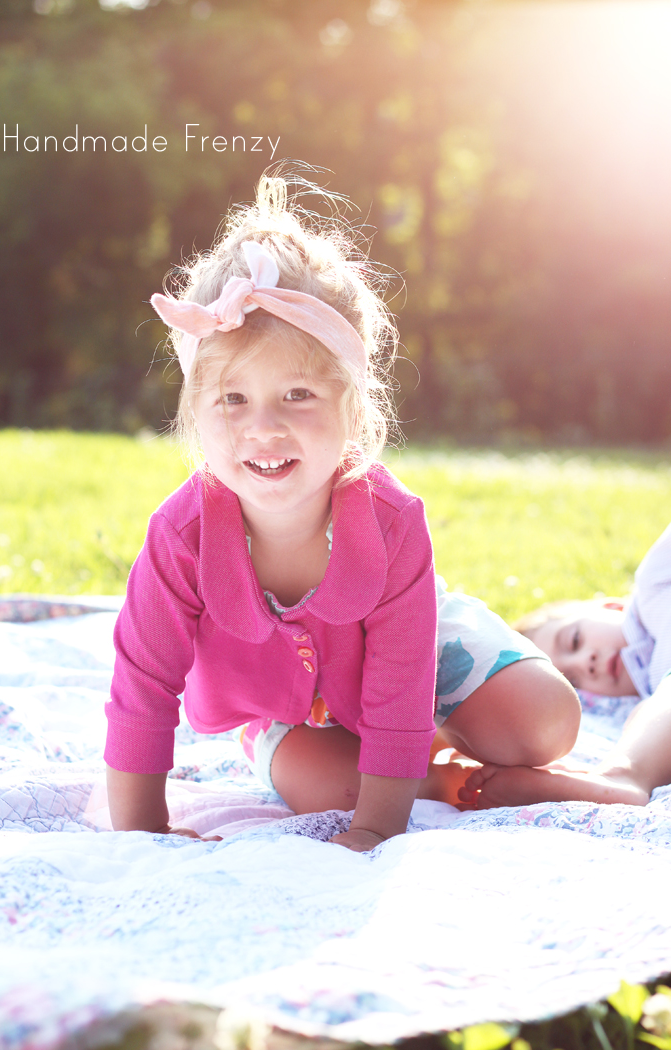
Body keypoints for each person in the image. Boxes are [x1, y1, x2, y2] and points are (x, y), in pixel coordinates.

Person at [104, 174, 580, 852]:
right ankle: (446, 778)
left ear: (352, 408)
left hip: (407, 652)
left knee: (546, 723)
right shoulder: (181, 536)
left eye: (297, 394)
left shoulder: (390, 522)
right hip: (284, 702)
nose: (262, 429)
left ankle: (429, 733)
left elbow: (400, 675)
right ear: (194, 412)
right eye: (233, 400)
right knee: (330, 790)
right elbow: (142, 688)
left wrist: (376, 832)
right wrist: (145, 831)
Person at [459, 523, 671, 809]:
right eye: (572, 682)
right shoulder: (652, 699)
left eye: (574, 640)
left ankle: (622, 776)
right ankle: (613, 772)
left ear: (610, 606)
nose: (585, 663)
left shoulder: (654, 588)